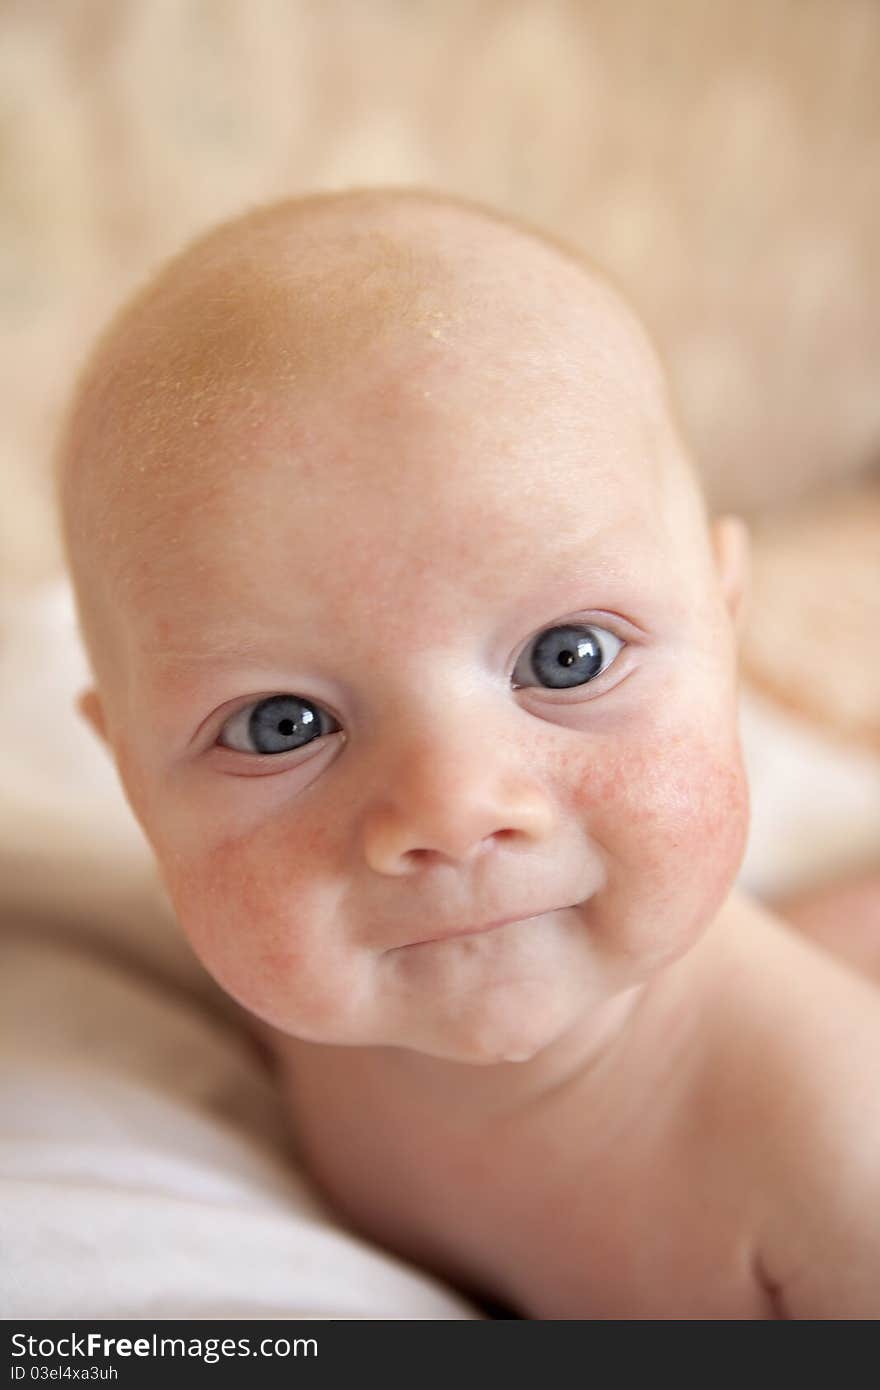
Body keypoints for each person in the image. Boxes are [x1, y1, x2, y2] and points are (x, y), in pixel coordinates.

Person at [57, 189, 880, 1318]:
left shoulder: (832, 1161)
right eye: (280, 726)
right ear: (137, 779)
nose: (448, 808)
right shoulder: (307, 984)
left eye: (569, 655)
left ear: (726, 623)